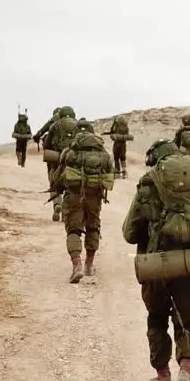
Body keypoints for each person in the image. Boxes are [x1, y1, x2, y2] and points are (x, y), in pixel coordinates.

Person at [122, 139, 190, 381]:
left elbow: (130, 233)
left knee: (157, 319)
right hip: (189, 265)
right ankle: (186, 369)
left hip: (156, 266)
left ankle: (163, 377)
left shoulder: (148, 184)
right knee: (188, 322)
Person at [52, 118, 113, 283]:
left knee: (73, 230)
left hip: (74, 196)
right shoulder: (103, 153)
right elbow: (110, 173)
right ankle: (89, 264)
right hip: (95, 197)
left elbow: (58, 178)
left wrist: (57, 191)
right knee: (93, 227)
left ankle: (76, 264)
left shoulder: (70, 151)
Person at [34, 106, 78, 222]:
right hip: (72, 161)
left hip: (56, 160)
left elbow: (47, 144)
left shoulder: (54, 125)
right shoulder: (77, 125)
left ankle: (57, 204)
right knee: (70, 186)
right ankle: (66, 212)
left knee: (54, 184)